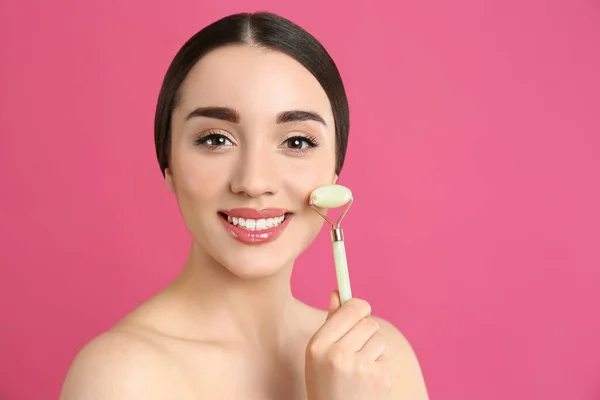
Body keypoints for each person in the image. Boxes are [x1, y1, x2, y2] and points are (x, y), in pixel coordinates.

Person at [59, 11, 429, 400]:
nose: (254, 182)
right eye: (216, 139)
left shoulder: (380, 359)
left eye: (297, 142)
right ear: (168, 163)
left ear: (335, 172)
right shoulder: (121, 377)